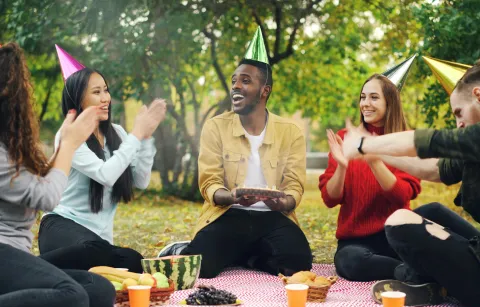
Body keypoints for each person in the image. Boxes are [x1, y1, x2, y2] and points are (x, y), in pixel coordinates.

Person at [157, 27, 312, 278]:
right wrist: (230, 197)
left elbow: (295, 185)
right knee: (201, 269)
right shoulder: (215, 126)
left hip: (272, 218)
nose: (236, 87)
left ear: (265, 91)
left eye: (246, 81)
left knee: (297, 266)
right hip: (229, 213)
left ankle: (246, 255)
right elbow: (209, 182)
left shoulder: (290, 131)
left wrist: (284, 201)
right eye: (234, 81)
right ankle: (189, 248)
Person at [342, 62, 480, 307]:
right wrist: (373, 154)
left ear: (477, 95)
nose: (458, 123)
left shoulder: (475, 138)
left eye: (459, 113)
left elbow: (427, 142)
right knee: (417, 216)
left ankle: (431, 280)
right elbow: (435, 169)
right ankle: (436, 279)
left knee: (399, 222)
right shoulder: (472, 148)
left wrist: (364, 144)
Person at [0, 42, 115, 307]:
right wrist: (70, 145)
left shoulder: (8, 147)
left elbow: (36, 187)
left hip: (15, 256)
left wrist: (65, 143)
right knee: (72, 297)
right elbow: (48, 198)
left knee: (99, 290)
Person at [38, 66, 166, 273]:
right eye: (96, 92)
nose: (105, 98)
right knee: (95, 250)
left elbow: (141, 181)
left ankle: (69, 274)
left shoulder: (118, 133)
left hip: (97, 242)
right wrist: (136, 135)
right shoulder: (70, 135)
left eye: (106, 90)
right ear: (79, 99)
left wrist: (146, 139)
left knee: (135, 261)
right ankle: (34, 268)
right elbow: (105, 175)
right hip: (60, 226)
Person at [319, 74, 421, 281]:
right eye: (363, 97)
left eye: (374, 97)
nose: (365, 104)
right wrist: (341, 165)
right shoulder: (346, 137)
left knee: (433, 222)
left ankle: (414, 271)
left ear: (389, 102)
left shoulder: (407, 140)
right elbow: (330, 199)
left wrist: (374, 160)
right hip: (355, 241)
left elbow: (402, 197)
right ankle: (409, 273)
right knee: (349, 261)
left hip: (396, 235)